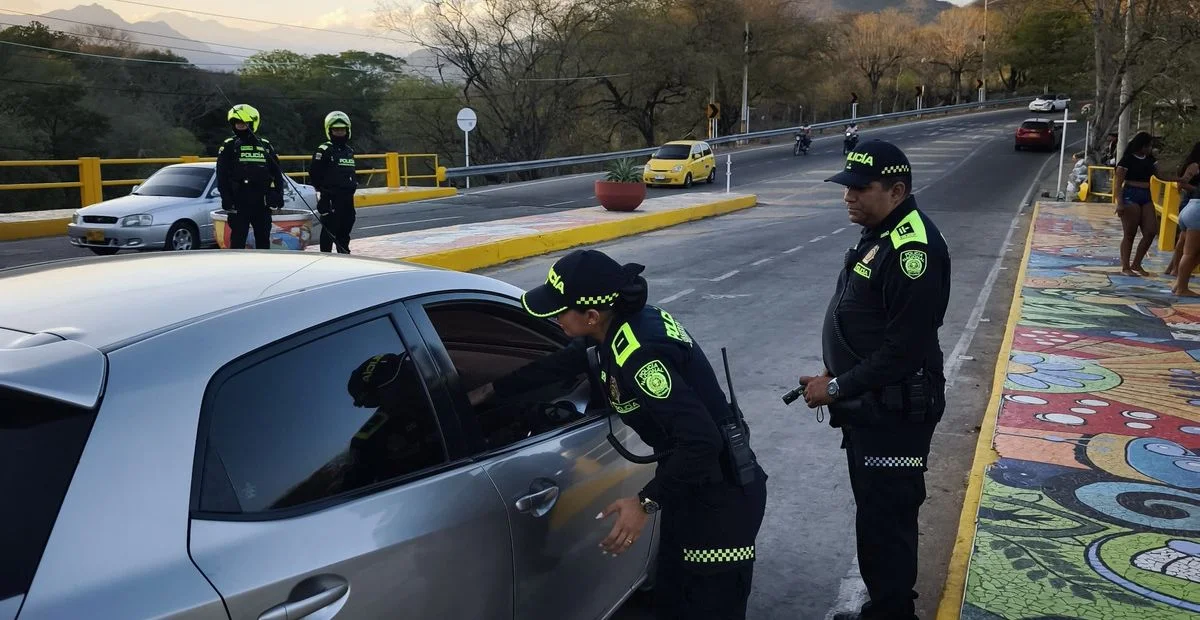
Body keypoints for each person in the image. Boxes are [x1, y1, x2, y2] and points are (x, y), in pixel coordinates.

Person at [469, 249, 768, 620]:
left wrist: (644, 502)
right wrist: (489, 392)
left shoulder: (640, 354)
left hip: (720, 502)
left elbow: (702, 441)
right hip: (694, 489)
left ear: (591, 316)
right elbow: (562, 362)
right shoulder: (617, 329)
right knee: (673, 600)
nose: (554, 318)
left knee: (705, 606)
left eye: (560, 311)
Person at [798, 140, 950, 620]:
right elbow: (870, 324)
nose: (849, 197)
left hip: (896, 408)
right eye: (847, 187)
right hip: (873, 404)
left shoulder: (913, 249)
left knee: (888, 520)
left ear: (897, 189)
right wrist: (836, 370)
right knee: (876, 516)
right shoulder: (882, 232)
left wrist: (839, 386)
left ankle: (891, 613)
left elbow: (903, 350)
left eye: (861, 188)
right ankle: (883, 608)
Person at [344, 353, 446, 490]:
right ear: (373, 399)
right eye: (401, 379)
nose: (413, 374)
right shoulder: (373, 438)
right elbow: (356, 483)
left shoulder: (441, 383)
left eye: (408, 368)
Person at [215, 103, 286, 250]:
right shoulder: (229, 145)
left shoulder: (265, 145)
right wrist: (226, 197)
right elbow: (221, 174)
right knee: (238, 240)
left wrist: (279, 194)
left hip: (262, 200)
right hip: (239, 200)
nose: (240, 126)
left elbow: (277, 173)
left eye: (244, 123)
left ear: (253, 123)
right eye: (237, 123)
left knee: (263, 240)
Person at [310, 110, 358, 254]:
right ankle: (325, 258)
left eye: (342, 129)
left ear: (347, 130)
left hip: (348, 199)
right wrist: (322, 195)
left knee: (345, 229)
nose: (339, 132)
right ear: (329, 131)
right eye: (336, 130)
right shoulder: (324, 149)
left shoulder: (349, 151)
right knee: (329, 231)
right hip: (330, 198)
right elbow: (314, 173)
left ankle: (344, 256)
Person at [1113, 131, 1159, 276]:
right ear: (1141, 145)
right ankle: (1125, 266)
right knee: (1130, 233)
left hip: (1146, 196)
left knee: (1151, 231)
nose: (1150, 149)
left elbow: (1160, 176)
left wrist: (1180, 179)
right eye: (1148, 146)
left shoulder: (1150, 160)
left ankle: (1137, 263)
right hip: (1130, 195)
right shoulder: (1127, 160)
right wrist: (1119, 203)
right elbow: (1118, 184)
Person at [1165, 141, 1200, 278]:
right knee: (1184, 239)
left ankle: (1173, 268)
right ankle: (1176, 269)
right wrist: (1197, 190)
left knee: (1183, 239)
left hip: (1192, 202)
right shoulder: (1194, 166)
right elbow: (1181, 184)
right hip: (1191, 202)